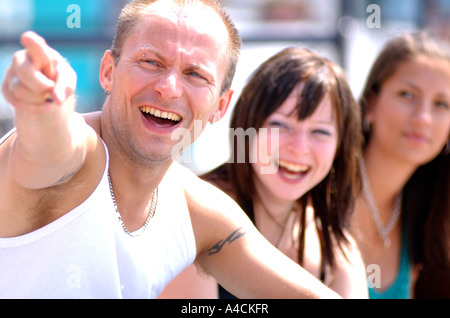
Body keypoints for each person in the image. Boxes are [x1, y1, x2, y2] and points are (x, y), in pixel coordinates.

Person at [0, 0, 342, 299]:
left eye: (195, 74)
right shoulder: (79, 152)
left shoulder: (197, 211)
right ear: (108, 71)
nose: (168, 88)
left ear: (220, 106)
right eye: (150, 62)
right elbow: (47, 148)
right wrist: (41, 108)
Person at [159, 46, 368, 299]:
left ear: (340, 147)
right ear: (248, 127)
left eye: (320, 132)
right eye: (280, 125)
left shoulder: (334, 245)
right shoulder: (197, 213)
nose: (299, 148)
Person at [351, 31, 450, 299]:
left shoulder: (427, 218)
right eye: (407, 95)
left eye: (442, 104)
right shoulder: (319, 190)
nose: (423, 118)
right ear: (371, 102)